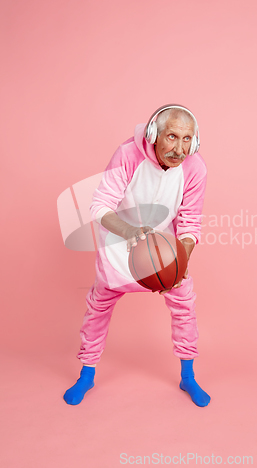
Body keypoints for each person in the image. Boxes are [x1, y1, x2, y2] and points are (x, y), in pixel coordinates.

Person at [63, 104, 211, 407]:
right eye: (172, 136)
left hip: (164, 251)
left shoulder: (195, 168)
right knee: (98, 307)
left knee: (185, 304)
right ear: (154, 134)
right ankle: (86, 374)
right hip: (120, 245)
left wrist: (179, 264)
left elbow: (190, 223)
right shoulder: (128, 154)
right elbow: (100, 206)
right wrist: (129, 232)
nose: (180, 148)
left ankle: (188, 376)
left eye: (187, 139)